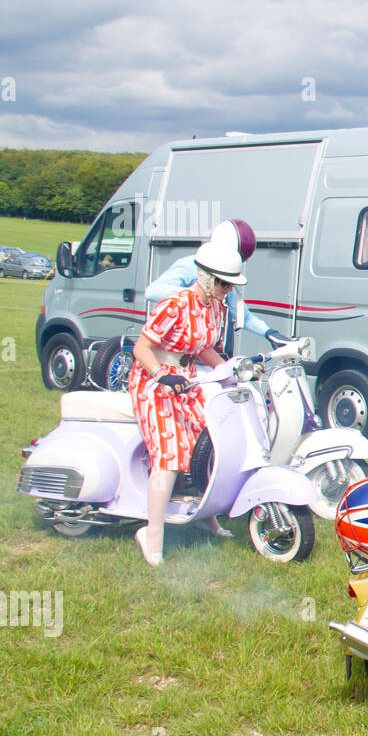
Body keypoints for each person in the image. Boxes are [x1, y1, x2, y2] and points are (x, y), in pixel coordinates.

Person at [128, 241, 247, 565]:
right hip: (153, 379)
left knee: (207, 444)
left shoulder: (216, 308)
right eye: (223, 283)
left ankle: (204, 514)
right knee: (168, 453)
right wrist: (160, 375)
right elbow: (141, 348)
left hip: (185, 377)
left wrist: (229, 371)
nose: (227, 289)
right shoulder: (175, 305)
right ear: (208, 278)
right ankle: (151, 534)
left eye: (230, 284)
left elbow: (204, 348)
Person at [145, 219, 289, 354]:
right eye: (224, 282)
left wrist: (269, 333)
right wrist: (197, 295)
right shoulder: (192, 266)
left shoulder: (223, 280)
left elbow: (242, 316)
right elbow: (153, 291)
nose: (228, 287)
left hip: (213, 353)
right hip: (186, 355)